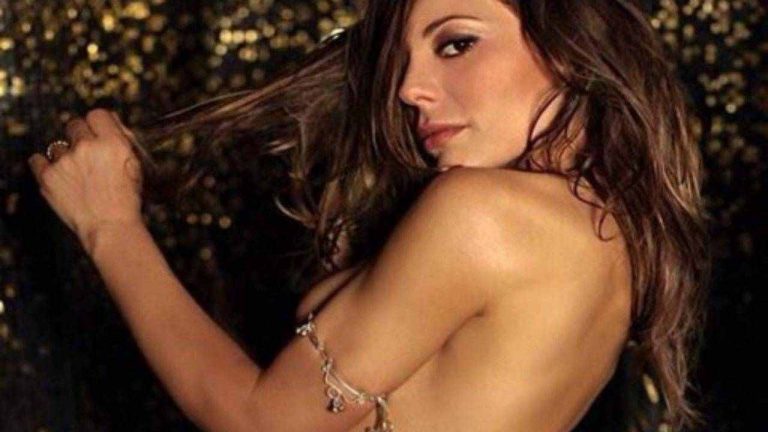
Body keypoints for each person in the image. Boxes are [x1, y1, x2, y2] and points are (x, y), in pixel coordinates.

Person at [26, 0, 712, 431]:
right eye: (403, 60)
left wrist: (108, 226)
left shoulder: (485, 215)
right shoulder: (611, 231)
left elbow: (261, 423)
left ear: (568, 42)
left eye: (455, 43)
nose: (410, 88)